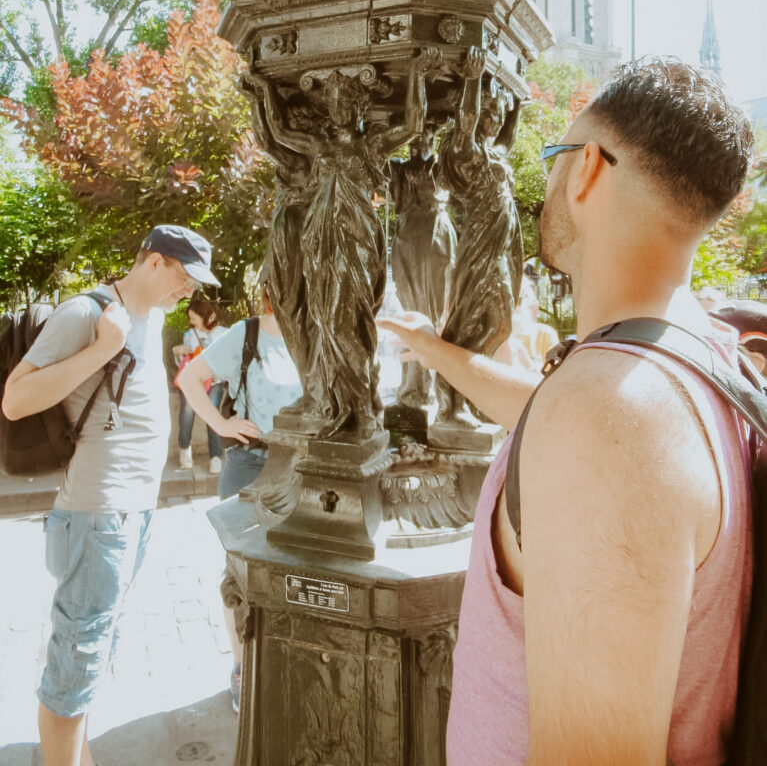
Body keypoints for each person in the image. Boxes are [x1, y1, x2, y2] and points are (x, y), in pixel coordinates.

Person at [379, 57, 754, 766]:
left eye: (554, 157)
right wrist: (433, 350)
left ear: (584, 168)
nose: (545, 182)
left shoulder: (609, 422)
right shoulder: (694, 360)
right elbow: (539, 408)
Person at [1, 224, 220, 766]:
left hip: (131, 514)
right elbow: (16, 399)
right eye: (186, 278)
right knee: (74, 665)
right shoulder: (86, 314)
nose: (190, 294)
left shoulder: (151, 315)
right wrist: (103, 348)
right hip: (96, 515)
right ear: (154, 262)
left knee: (93, 657)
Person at [176, 278, 302, 712]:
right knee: (241, 573)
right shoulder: (245, 334)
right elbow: (190, 378)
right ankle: (242, 666)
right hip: (250, 463)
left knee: (299, 570)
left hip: (303, 467)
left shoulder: (316, 334)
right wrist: (221, 425)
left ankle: (290, 659)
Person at [172, 296, 228, 473]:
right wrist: (178, 352)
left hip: (216, 381)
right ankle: (185, 449)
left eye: (194, 318)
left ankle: (216, 456)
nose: (191, 322)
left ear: (208, 316)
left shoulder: (223, 333)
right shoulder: (190, 335)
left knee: (212, 410)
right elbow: (184, 363)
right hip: (194, 382)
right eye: (190, 318)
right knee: (187, 411)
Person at [510, 275, 560, 369]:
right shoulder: (487, 337)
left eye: (518, 300)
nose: (512, 307)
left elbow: (555, 377)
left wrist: (529, 366)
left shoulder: (545, 334)